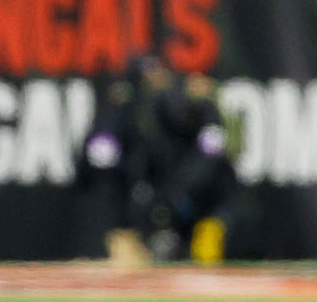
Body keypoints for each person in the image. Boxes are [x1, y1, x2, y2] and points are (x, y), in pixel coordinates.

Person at [78, 54, 236, 264]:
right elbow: (102, 155)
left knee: (205, 253)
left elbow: (212, 156)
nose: (156, 83)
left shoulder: (200, 106)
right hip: (145, 201)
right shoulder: (128, 109)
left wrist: (179, 190)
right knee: (131, 256)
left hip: (202, 200)